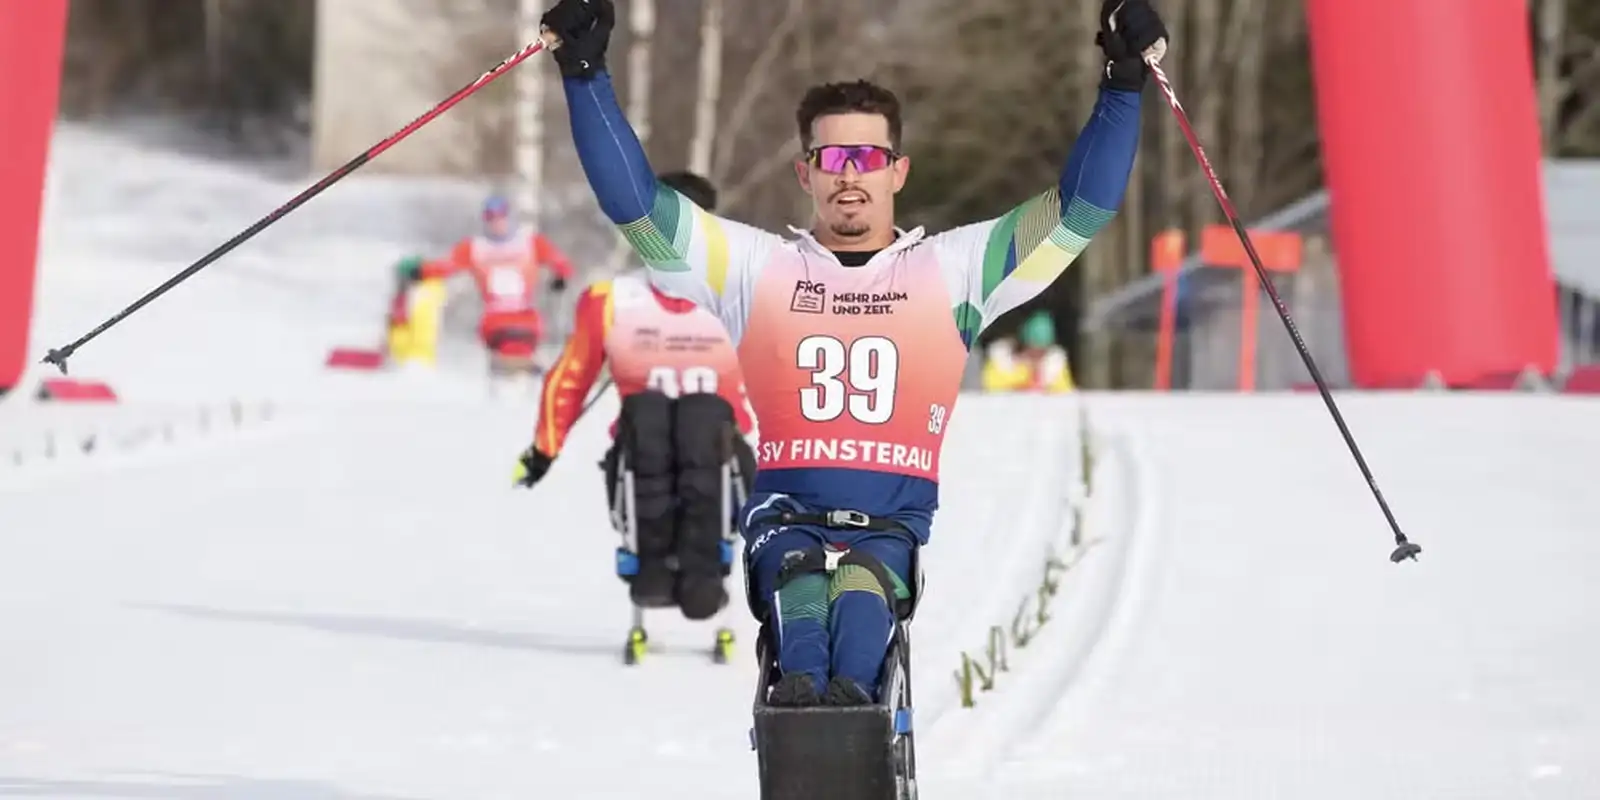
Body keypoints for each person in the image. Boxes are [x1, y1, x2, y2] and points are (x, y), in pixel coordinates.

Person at [540, 0, 1163, 705]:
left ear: (897, 171)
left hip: (889, 526)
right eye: (831, 157)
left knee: (861, 633)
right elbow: (640, 208)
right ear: (806, 173)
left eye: (866, 158)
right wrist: (586, 75)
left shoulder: (956, 269)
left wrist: (1121, 84)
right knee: (802, 646)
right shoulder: (753, 267)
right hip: (786, 520)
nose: (848, 175)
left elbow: (1080, 211)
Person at [512, 171, 757, 621]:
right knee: (650, 412)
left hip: (720, 450)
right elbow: (571, 377)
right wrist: (544, 449)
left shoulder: (744, 294)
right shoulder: (612, 300)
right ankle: (654, 562)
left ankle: (703, 566)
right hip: (643, 447)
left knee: (701, 415)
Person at [404, 194, 575, 376]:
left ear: (510, 218)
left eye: (501, 217)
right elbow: (447, 266)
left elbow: (559, 262)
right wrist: (421, 272)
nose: (497, 223)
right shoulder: (476, 247)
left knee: (524, 343)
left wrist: (560, 278)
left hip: (525, 315)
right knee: (505, 351)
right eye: (491, 218)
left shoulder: (529, 243)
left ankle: (527, 373)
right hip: (495, 318)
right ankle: (508, 373)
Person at [981, 310, 1075, 392]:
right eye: (1033, 349)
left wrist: (1041, 378)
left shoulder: (1054, 365)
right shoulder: (1001, 360)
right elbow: (990, 388)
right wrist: (1023, 374)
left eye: (1042, 351)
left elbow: (1065, 394)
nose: (1037, 355)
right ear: (1023, 345)